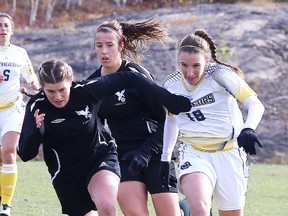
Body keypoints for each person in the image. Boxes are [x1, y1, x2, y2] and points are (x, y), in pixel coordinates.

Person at [17, 59, 191, 216]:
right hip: (66, 173)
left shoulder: (87, 91)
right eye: (51, 91)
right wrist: (36, 132)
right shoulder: (37, 106)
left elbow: (130, 78)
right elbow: (25, 154)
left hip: (99, 159)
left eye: (62, 89)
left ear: (70, 81)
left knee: (107, 206)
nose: (58, 96)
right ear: (42, 87)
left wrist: (169, 100)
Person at [160, 29, 265, 216]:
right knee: (200, 208)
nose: (189, 72)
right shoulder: (171, 84)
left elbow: (255, 104)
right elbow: (171, 120)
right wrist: (166, 158)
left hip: (229, 152)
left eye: (195, 66)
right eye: (183, 65)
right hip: (193, 151)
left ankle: (185, 209)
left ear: (206, 61)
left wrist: (248, 129)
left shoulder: (220, 75)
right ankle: (190, 208)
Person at [87, 18, 182, 216]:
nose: (104, 51)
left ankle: (184, 211)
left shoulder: (137, 75)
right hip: (124, 156)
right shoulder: (93, 84)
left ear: (121, 45)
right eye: (99, 45)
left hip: (156, 150)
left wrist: (146, 152)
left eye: (109, 45)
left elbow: (167, 120)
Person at [0, 12, 39, 215]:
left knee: (9, 150)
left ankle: (5, 205)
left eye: (6, 25)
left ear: (12, 30)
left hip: (13, 108)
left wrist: (34, 84)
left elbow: (32, 78)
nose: (2, 28)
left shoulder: (20, 53)